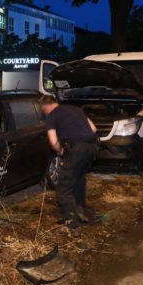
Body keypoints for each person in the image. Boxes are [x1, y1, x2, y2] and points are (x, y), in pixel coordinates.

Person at [39, 95, 99, 229]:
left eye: (42, 110)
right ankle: (80, 209)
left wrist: (61, 151)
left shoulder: (51, 116)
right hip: (92, 147)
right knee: (78, 177)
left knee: (63, 186)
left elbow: (53, 141)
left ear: (45, 107)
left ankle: (72, 222)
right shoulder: (76, 109)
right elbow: (94, 129)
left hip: (77, 149)